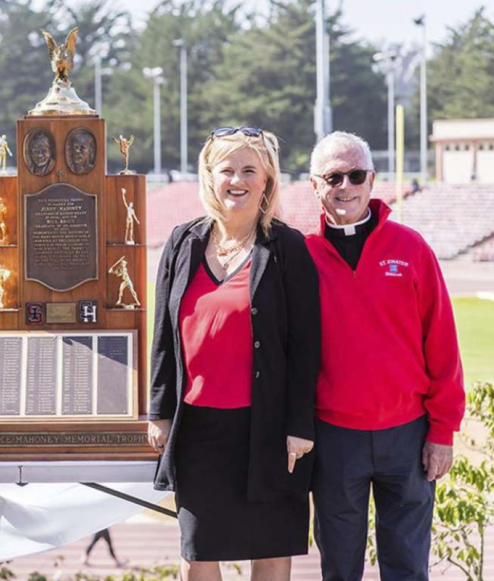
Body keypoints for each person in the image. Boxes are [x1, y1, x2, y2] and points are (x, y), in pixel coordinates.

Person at [148, 127, 320, 581]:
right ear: (209, 176)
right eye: (227, 169)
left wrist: (300, 426)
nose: (237, 180)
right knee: (199, 554)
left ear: (266, 181)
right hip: (198, 430)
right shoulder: (182, 242)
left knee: (268, 551)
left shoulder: (287, 247)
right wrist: (159, 411)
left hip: (267, 430)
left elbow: (306, 345)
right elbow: (163, 335)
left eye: (250, 170)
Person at [306, 132, 465, 581]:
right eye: (333, 176)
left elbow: (443, 344)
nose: (346, 186)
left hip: (407, 435)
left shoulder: (411, 248)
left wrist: (443, 430)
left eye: (356, 175)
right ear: (316, 185)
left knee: (407, 568)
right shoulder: (302, 255)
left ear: (372, 180)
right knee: (339, 568)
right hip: (335, 438)